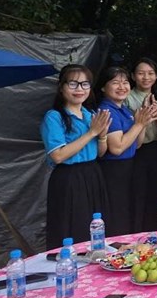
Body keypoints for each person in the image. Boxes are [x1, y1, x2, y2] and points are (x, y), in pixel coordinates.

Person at [41, 64, 111, 249]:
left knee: (95, 227)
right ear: (61, 86)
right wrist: (91, 133)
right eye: (73, 84)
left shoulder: (90, 114)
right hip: (69, 178)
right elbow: (57, 155)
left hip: (93, 174)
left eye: (85, 84)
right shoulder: (54, 117)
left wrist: (102, 135)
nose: (79, 89)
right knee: (73, 227)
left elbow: (100, 152)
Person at [97, 66, 157, 235]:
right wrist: (139, 124)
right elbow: (116, 148)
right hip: (114, 170)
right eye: (115, 82)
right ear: (103, 87)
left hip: (130, 166)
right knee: (118, 214)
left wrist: (144, 122)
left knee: (131, 211)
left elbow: (137, 144)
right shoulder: (107, 110)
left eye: (125, 82)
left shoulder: (123, 109)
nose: (122, 86)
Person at [127, 57, 157, 232]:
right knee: (137, 195)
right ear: (133, 76)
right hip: (135, 150)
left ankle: (154, 232)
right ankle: (136, 233)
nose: (146, 77)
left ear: (156, 76)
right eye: (141, 73)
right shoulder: (127, 97)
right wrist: (143, 116)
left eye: (151, 73)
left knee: (156, 194)